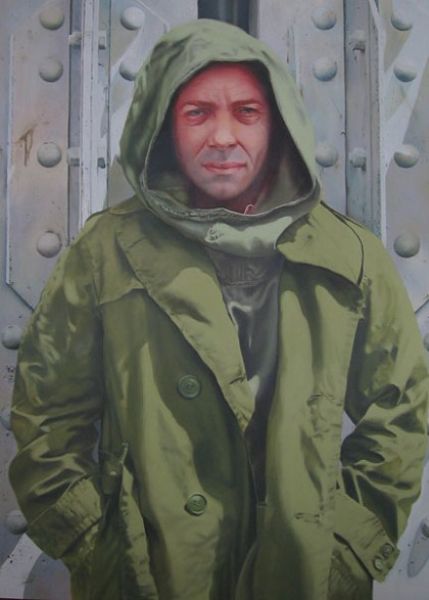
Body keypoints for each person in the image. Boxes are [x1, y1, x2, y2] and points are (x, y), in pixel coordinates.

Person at [9, 19, 429, 600]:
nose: (223, 137)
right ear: (164, 125)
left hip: (301, 573)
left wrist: (346, 547)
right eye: (197, 113)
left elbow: (400, 412)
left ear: (277, 123)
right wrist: (98, 544)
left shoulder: (348, 256)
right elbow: (46, 416)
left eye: (247, 112)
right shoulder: (105, 252)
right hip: (147, 572)